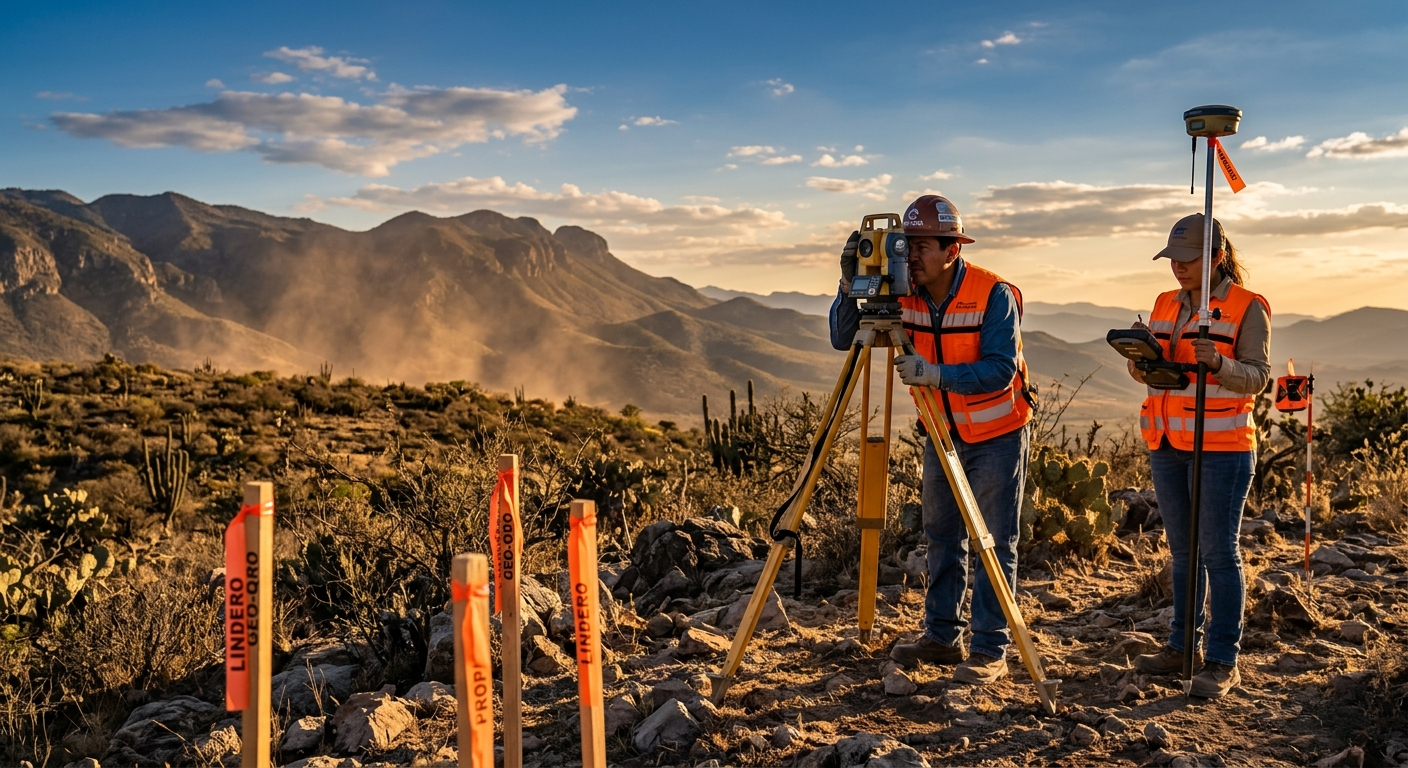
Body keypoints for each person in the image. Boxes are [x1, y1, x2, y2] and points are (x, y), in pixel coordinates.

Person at [830, 195, 1036, 685]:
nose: (908, 255)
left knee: (993, 542)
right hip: (941, 432)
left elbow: (1000, 371)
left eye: (917, 246)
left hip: (997, 433)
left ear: (951, 249)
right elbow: (844, 337)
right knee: (942, 536)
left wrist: (934, 374)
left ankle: (990, 648)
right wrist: (846, 283)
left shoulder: (993, 294)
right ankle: (942, 635)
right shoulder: (904, 292)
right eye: (904, 245)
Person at [1129, 213, 1271, 698]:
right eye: (1173, 260)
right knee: (1183, 552)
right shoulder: (1165, 303)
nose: (1178, 269)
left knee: (1217, 552)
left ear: (1216, 257)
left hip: (1222, 448)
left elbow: (1257, 376)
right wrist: (1139, 361)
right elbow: (1158, 374)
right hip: (1168, 442)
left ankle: (1222, 661)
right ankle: (1181, 647)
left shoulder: (1247, 307)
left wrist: (1219, 363)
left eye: (1189, 260)